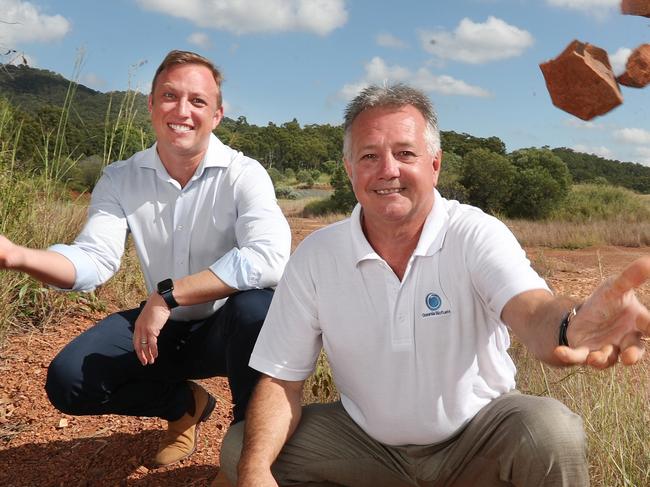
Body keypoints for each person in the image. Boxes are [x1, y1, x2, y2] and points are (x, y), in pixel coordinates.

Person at [219, 83, 650, 486]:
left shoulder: (474, 234)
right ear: (349, 170)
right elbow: (281, 382)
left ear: (435, 164)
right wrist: (255, 472)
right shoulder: (316, 256)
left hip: (476, 440)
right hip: (366, 444)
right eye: (369, 156)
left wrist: (572, 324)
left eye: (405, 153)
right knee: (244, 446)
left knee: (550, 432)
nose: (387, 170)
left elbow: (533, 309)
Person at [0, 50, 291, 467]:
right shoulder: (120, 178)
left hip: (228, 331)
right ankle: (183, 405)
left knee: (259, 309)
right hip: (162, 331)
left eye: (197, 101)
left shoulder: (244, 174)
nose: (182, 111)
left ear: (217, 114)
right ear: (151, 105)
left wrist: (169, 295)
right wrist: (17, 255)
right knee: (69, 381)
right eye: (170, 96)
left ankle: (245, 455)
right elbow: (94, 259)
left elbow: (269, 256)